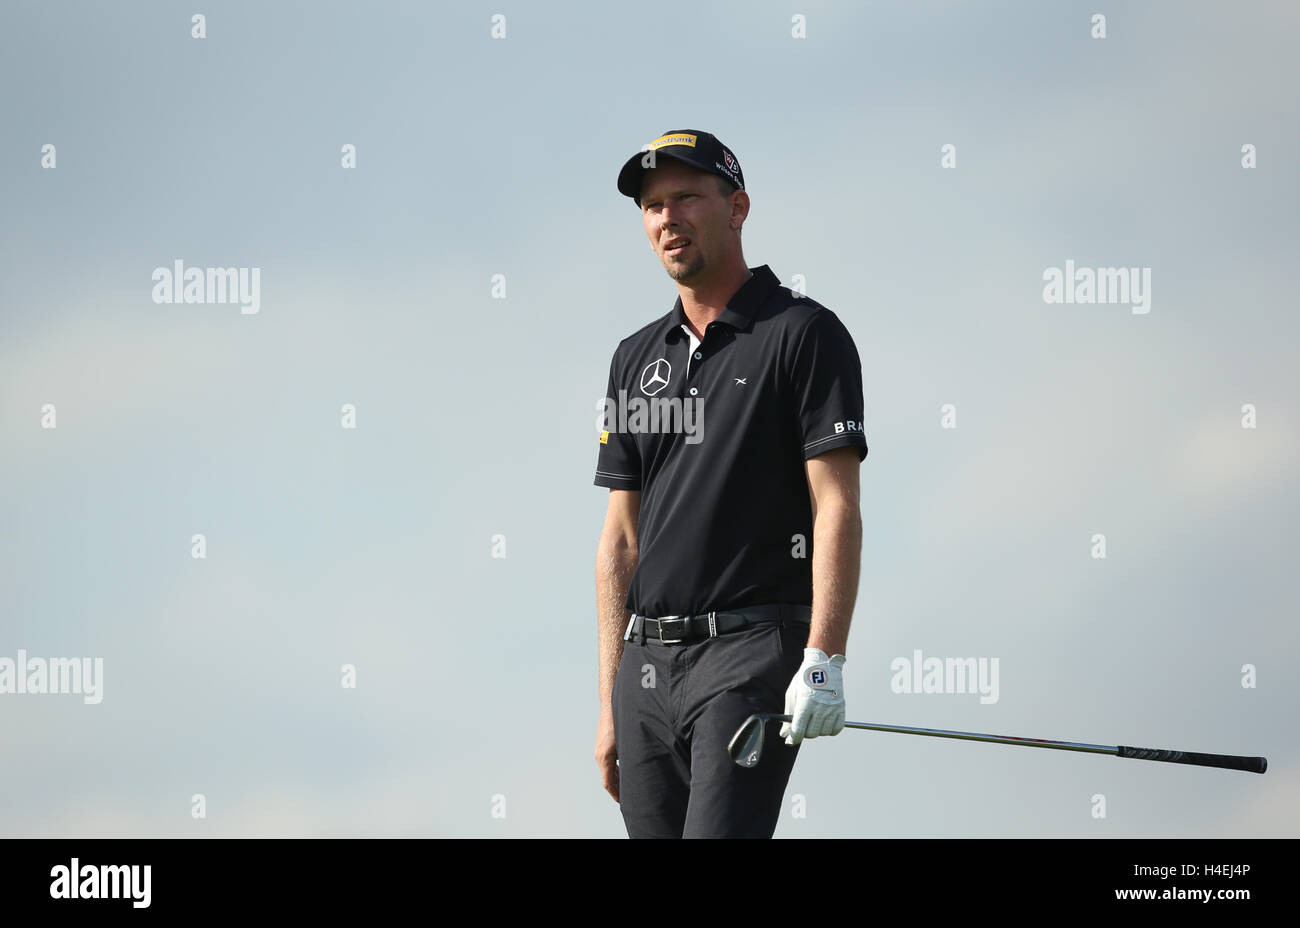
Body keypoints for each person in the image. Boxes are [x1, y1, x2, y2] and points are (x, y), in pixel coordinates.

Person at [593, 129, 867, 838]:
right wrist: (610, 700)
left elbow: (836, 507)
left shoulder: (803, 333)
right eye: (652, 206)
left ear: (737, 207)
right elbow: (620, 539)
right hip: (646, 670)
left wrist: (824, 659)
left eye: (686, 197)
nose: (667, 218)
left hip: (749, 656)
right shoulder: (633, 360)